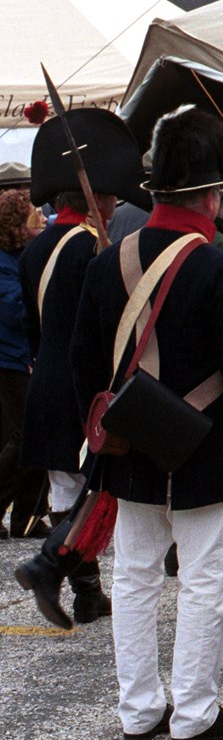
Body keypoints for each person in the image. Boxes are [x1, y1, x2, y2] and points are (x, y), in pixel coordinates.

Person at [70, 107, 223, 740]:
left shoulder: (107, 261)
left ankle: (140, 713)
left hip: (132, 448)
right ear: (212, 193)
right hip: (208, 453)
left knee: (135, 580)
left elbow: (85, 366)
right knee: (205, 587)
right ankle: (194, 716)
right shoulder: (216, 263)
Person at [18, 108, 150, 623]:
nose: (116, 204)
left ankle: (88, 594)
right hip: (82, 383)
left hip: (44, 376)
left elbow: (35, 325)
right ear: (94, 199)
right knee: (96, 486)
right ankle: (54, 568)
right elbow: (101, 329)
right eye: (111, 197)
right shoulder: (93, 249)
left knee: (66, 488)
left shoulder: (37, 250)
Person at [0, 186, 45, 539]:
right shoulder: (6, 263)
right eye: (35, 214)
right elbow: (16, 310)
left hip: (21, 357)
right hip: (10, 360)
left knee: (29, 439)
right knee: (23, 439)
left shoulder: (18, 257)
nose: (42, 217)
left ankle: (27, 516)